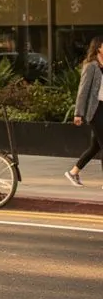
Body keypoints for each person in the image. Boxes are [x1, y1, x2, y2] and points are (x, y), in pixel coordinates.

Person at [65, 36, 103, 187]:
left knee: (96, 146)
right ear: (98, 47)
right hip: (96, 110)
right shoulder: (91, 66)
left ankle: (73, 172)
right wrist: (78, 113)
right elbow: (83, 91)